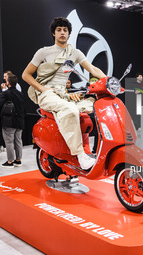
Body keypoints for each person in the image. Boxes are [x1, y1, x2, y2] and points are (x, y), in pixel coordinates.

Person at [22, 17, 106, 170]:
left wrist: (109, 81)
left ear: (69, 34)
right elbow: (26, 75)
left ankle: (89, 150)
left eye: (65, 30)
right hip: (47, 93)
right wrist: (43, 89)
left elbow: (93, 70)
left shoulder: (74, 52)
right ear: (53, 33)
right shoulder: (43, 52)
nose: (62, 32)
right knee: (70, 109)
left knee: (92, 105)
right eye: (59, 30)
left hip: (63, 93)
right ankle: (80, 155)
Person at [0, 74, 26, 168]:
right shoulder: (20, 94)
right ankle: (18, 160)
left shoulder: (5, 93)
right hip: (20, 120)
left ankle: (10, 162)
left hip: (9, 121)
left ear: (8, 83)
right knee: (18, 140)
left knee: (9, 142)